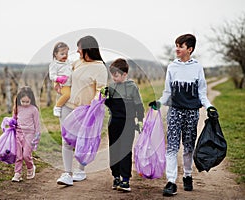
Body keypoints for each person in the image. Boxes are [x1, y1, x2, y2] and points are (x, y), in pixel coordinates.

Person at [149, 34, 218, 196]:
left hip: (192, 112)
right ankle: (171, 181)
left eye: (181, 46)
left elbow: (202, 93)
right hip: (174, 111)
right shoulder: (172, 67)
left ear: (190, 49)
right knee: (172, 146)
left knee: (188, 147)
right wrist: (159, 103)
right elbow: (167, 92)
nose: (177, 49)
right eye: (176, 45)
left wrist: (209, 107)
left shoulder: (197, 67)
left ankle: (187, 175)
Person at [56, 35, 108, 186]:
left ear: (87, 49)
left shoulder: (100, 68)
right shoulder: (77, 63)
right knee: (66, 139)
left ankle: (80, 170)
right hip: (68, 106)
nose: (77, 51)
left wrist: (94, 106)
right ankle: (67, 173)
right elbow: (67, 79)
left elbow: (102, 90)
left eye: (79, 48)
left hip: (86, 110)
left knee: (82, 140)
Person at [102, 58, 144, 192]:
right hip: (114, 123)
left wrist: (140, 120)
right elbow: (108, 105)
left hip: (128, 124)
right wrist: (104, 97)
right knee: (114, 149)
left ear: (125, 74)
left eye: (116, 75)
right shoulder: (111, 87)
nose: (114, 78)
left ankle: (125, 179)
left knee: (125, 150)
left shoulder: (132, 87)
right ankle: (116, 176)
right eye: (112, 75)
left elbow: (138, 105)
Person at [11, 86, 41, 182]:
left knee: (26, 155)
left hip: (29, 135)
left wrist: (37, 136)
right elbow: (14, 120)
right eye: (22, 101)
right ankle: (17, 173)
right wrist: (11, 125)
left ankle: (30, 167)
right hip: (18, 133)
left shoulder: (34, 110)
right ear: (19, 100)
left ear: (31, 100)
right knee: (18, 155)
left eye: (27, 102)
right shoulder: (17, 108)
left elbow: (37, 124)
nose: (24, 104)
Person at [49, 42, 72, 117]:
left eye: (66, 54)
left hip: (70, 83)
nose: (65, 56)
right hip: (63, 85)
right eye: (62, 54)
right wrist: (58, 79)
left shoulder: (68, 62)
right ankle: (57, 106)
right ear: (56, 54)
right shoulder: (54, 64)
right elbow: (52, 76)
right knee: (67, 94)